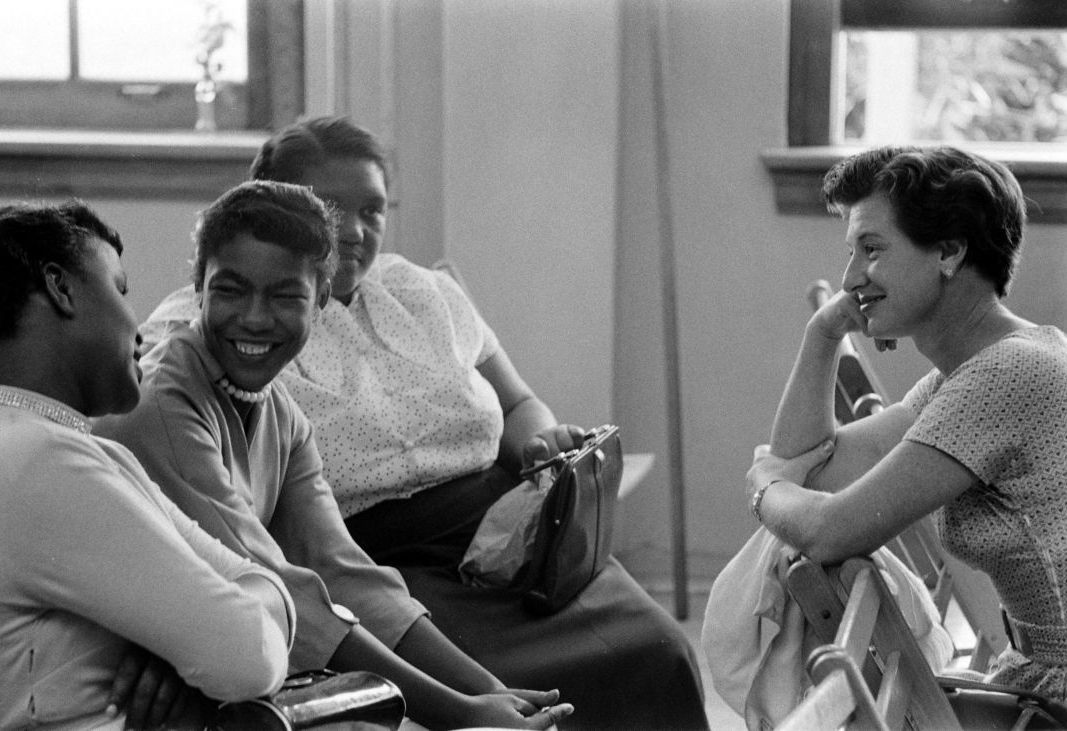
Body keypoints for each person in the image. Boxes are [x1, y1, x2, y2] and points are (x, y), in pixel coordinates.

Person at [136, 115, 709, 730]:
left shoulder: (415, 297)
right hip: (385, 549)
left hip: (503, 533)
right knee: (492, 686)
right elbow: (293, 567)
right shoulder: (209, 350)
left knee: (660, 649)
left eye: (374, 210)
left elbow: (516, 403)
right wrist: (472, 702)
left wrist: (542, 447)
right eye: (331, 211)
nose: (354, 231)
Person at [95, 179, 572, 730]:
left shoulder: (278, 409)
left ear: (322, 300)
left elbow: (343, 572)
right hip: (121, 672)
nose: (253, 318)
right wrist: (462, 714)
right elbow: (273, 582)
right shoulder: (164, 404)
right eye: (230, 290)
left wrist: (491, 692)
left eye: (284, 296)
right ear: (196, 290)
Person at [746, 145, 1067, 705]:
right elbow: (817, 469)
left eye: (871, 250)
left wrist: (763, 488)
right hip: (1041, 677)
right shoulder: (976, 369)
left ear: (948, 252)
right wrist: (822, 335)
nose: (850, 278)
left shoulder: (1006, 374)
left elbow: (827, 528)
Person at [0, 202, 295, 730]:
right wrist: (204, 643)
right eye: (120, 288)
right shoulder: (42, 464)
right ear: (61, 288)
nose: (138, 327)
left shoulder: (22, 440)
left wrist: (175, 651)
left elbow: (252, 590)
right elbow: (248, 658)